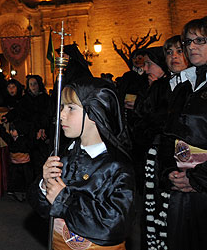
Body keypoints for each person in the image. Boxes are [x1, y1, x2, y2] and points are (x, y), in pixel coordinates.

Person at [28, 77, 135, 249]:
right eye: (62, 107)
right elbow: (40, 207)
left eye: (71, 108)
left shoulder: (116, 166)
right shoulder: (64, 154)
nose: (61, 114)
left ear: (95, 112)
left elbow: (114, 225)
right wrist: (43, 184)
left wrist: (63, 200)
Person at [149, 17, 207, 249]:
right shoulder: (185, 85)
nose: (191, 46)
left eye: (200, 40)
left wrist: (198, 178)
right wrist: (169, 172)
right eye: (188, 41)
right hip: (181, 189)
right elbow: (169, 134)